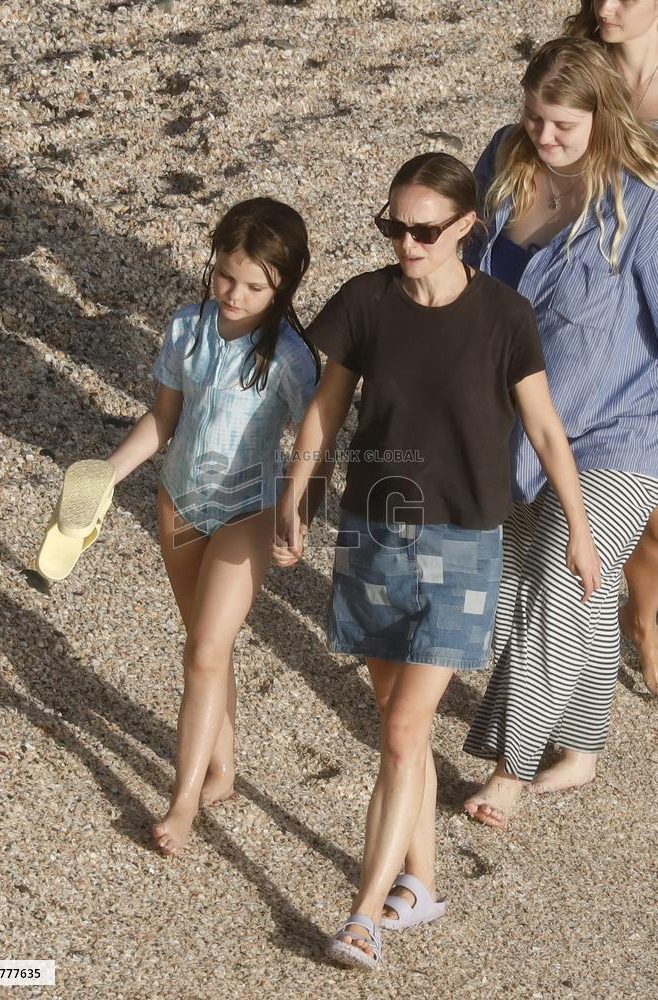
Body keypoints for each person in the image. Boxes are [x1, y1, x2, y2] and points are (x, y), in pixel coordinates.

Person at [273, 151, 599, 971]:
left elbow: (546, 429)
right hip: (372, 534)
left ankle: (364, 917)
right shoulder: (366, 300)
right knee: (401, 729)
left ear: (466, 227)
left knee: (401, 728)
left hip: (463, 542)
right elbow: (326, 407)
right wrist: (296, 489)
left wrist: (580, 527)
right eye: (394, 226)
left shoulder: (504, 315)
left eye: (423, 230)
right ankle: (419, 884)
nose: (406, 243)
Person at [461, 37, 658, 829]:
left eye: (563, 126)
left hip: (619, 428)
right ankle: (582, 744)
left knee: (562, 577)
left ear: (603, 118)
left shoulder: (644, 206)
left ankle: (509, 769)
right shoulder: (504, 162)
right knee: (532, 584)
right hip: (513, 424)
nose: (544, 137)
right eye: (534, 117)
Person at [104, 197, 329, 855]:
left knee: (203, 649)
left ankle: (183, 801)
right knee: (208, 646)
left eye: (254, 286)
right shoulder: (187, 327)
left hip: (249, 511)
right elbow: (163, 418)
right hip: (179, 500)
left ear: (283, 286)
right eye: (226, 276)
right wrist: (106, 474)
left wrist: (299, 516)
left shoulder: (291, 358)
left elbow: (315, 447)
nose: (234, 294)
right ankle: (223, 770)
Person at [565, 2, 658, 692]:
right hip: (609, 292)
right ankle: (646, 622)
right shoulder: (582, 63)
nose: (606, 9)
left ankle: (642, 614)